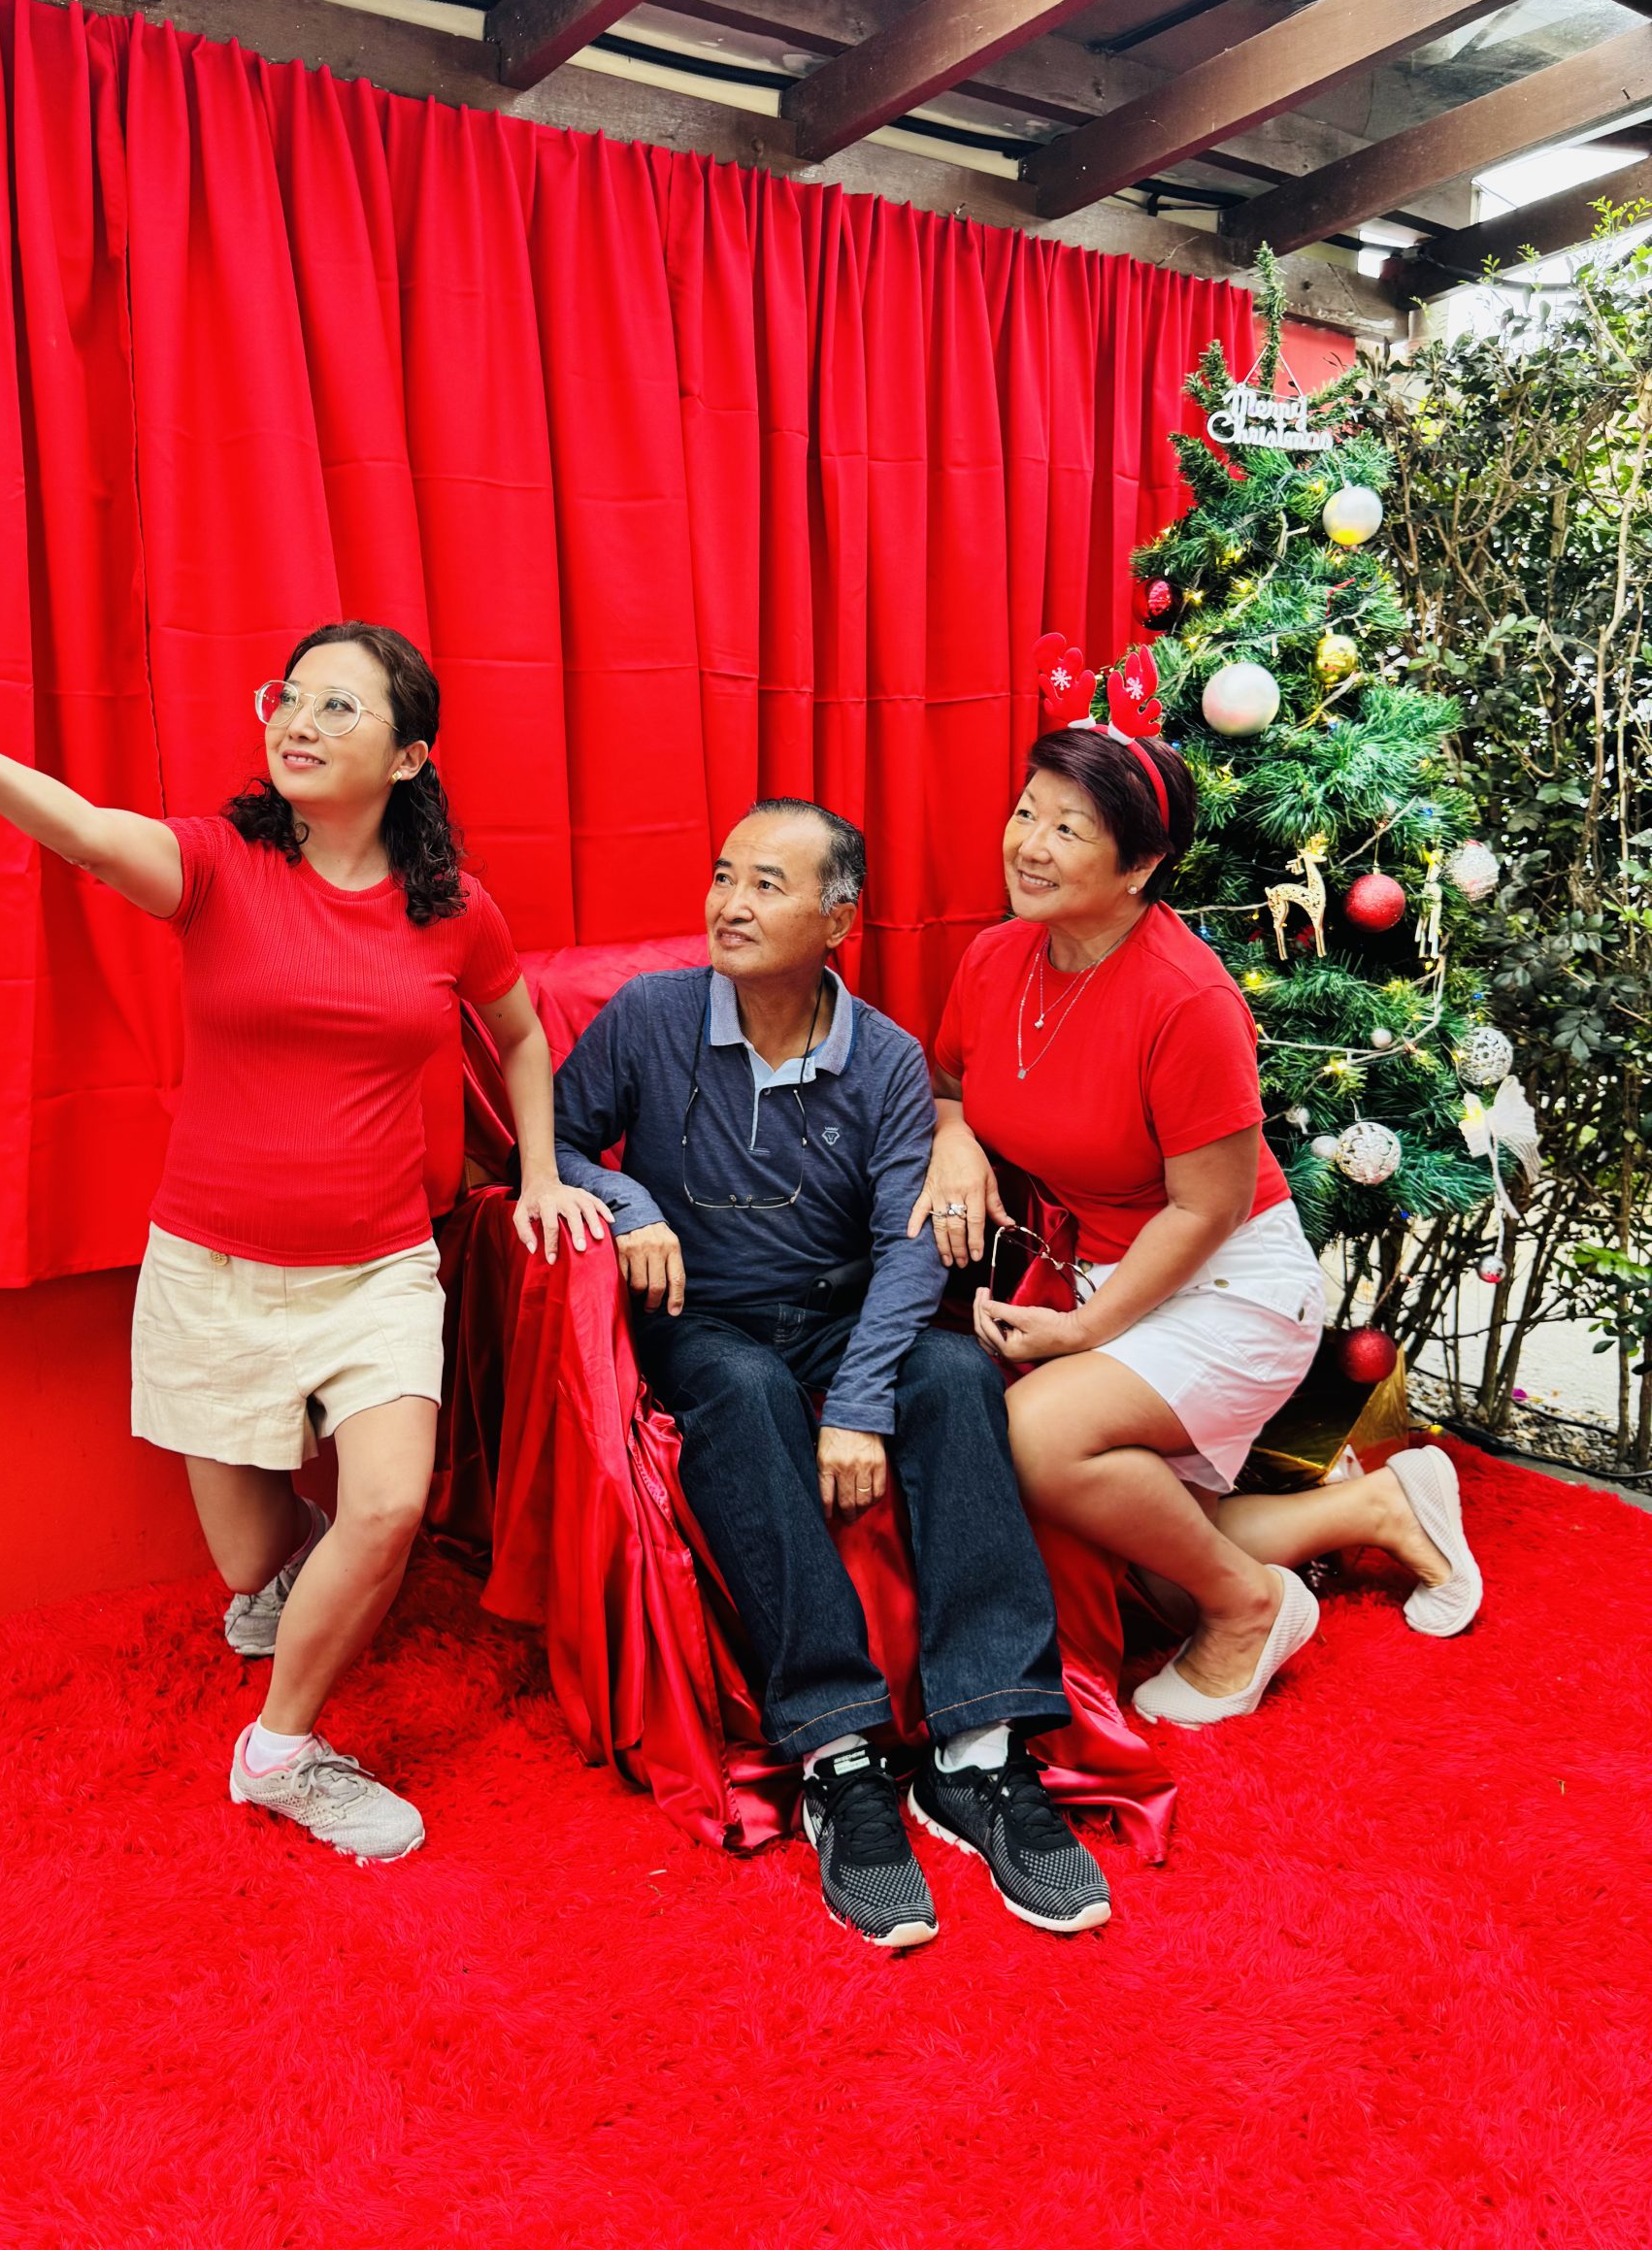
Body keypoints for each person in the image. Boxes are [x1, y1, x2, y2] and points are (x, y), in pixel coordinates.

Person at [0, 603, 608, 1859]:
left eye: (339, 704)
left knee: (387, 1506)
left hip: (380, 1271)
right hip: (216, 1268)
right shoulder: (219, 867)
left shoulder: (454, 908)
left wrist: (545, 1171)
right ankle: (301, 1587)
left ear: (410, 757)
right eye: (287, 695)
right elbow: (73, 825)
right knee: (252, 1571)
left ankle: (281, 1749)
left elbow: (516, 1034)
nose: (299, 720)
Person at [551, 798, 1110, 1950]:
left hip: (840, 1312)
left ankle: (980, 1753)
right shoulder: (652, 1016)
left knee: (955, 1378)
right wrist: (628, 1197)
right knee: (745, 1393)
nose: (730, 904)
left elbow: (910, 1244)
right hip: (704, 1319)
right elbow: (546, 1139)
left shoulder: (888, 1057)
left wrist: (857, 1403)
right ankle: (841, 1758)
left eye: (767, 884)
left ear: (839, 920)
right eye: (724, 876)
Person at [913, 726, 1483, 1730]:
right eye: (1026, 813)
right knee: (1155, 1560)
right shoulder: (997, 957)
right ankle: (1378, 1507)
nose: (1030, 845)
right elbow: (951, 1081)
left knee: (1040, 1437)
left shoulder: (1188, 998)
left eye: (1069, 829)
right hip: (1106, 1272)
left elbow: (1207, 1208)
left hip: (1227, 1282)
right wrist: (954, 1141)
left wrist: (1084, 1333)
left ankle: (1247, 1609)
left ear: (1140, 865)